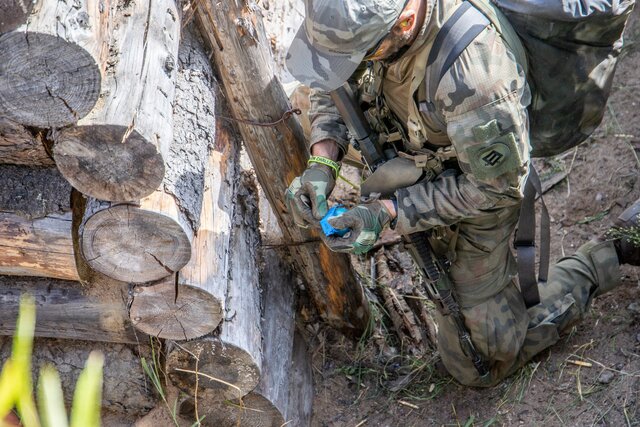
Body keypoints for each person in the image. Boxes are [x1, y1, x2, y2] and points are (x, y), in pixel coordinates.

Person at [284, 0, 639, 387]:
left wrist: (388, 211)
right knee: (297, 107)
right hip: (413, 137)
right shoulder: (367, 20)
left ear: (404, 24)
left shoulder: (476, 80)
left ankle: (610, 253)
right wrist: (323, 161)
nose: (350, 64)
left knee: (482, 361)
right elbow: (332, 79)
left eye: (361, 54)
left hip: (476, 186)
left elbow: (497, 189)